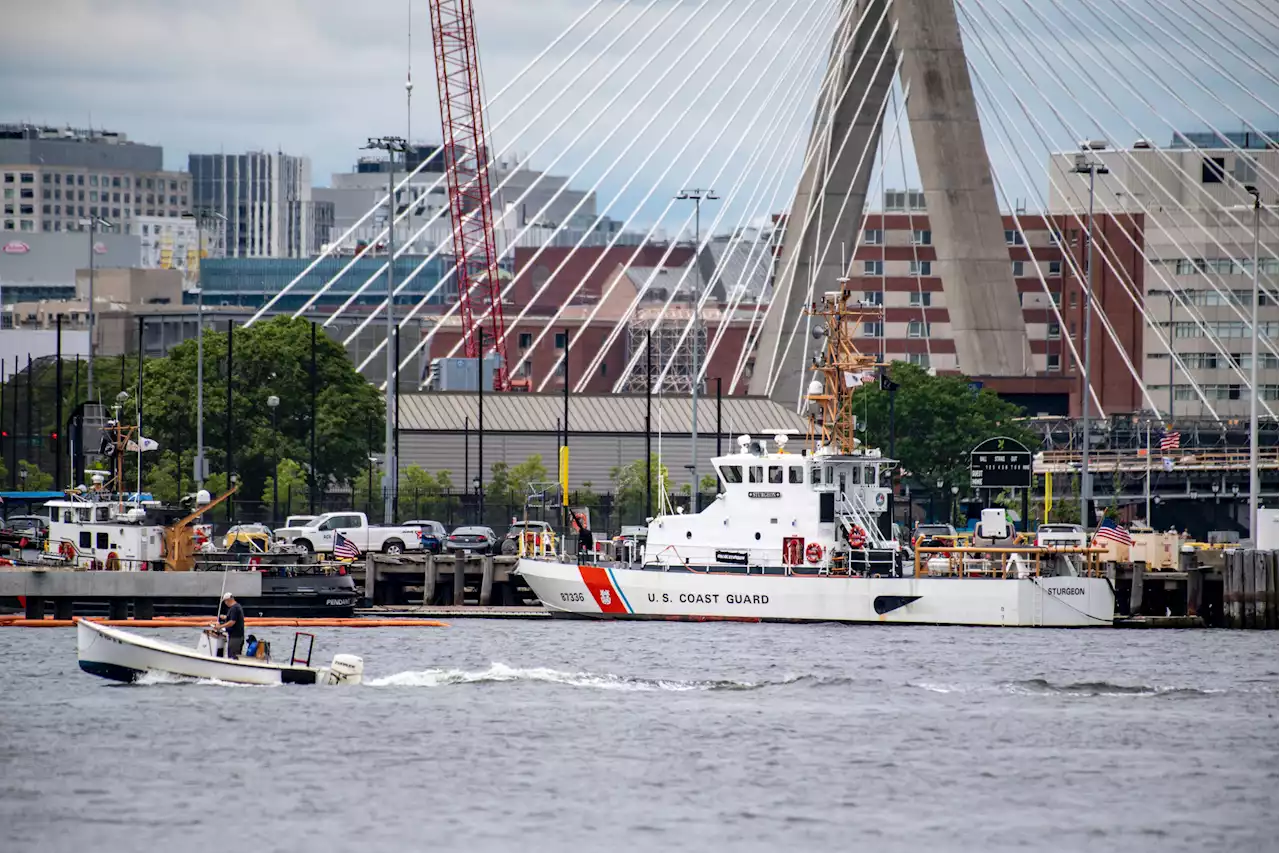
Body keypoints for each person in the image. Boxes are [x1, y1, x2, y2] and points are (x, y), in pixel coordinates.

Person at [213, 592, 246, 659]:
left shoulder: (234, 608)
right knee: (235, 655)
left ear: (228, 600)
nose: (225, 603)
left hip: (235, 637)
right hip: (238, 636)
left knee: (232, 656)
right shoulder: (237, 606)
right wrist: (226, 617)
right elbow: (234, 618)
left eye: (225, 601)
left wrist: (220, 626)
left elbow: (232, 622)